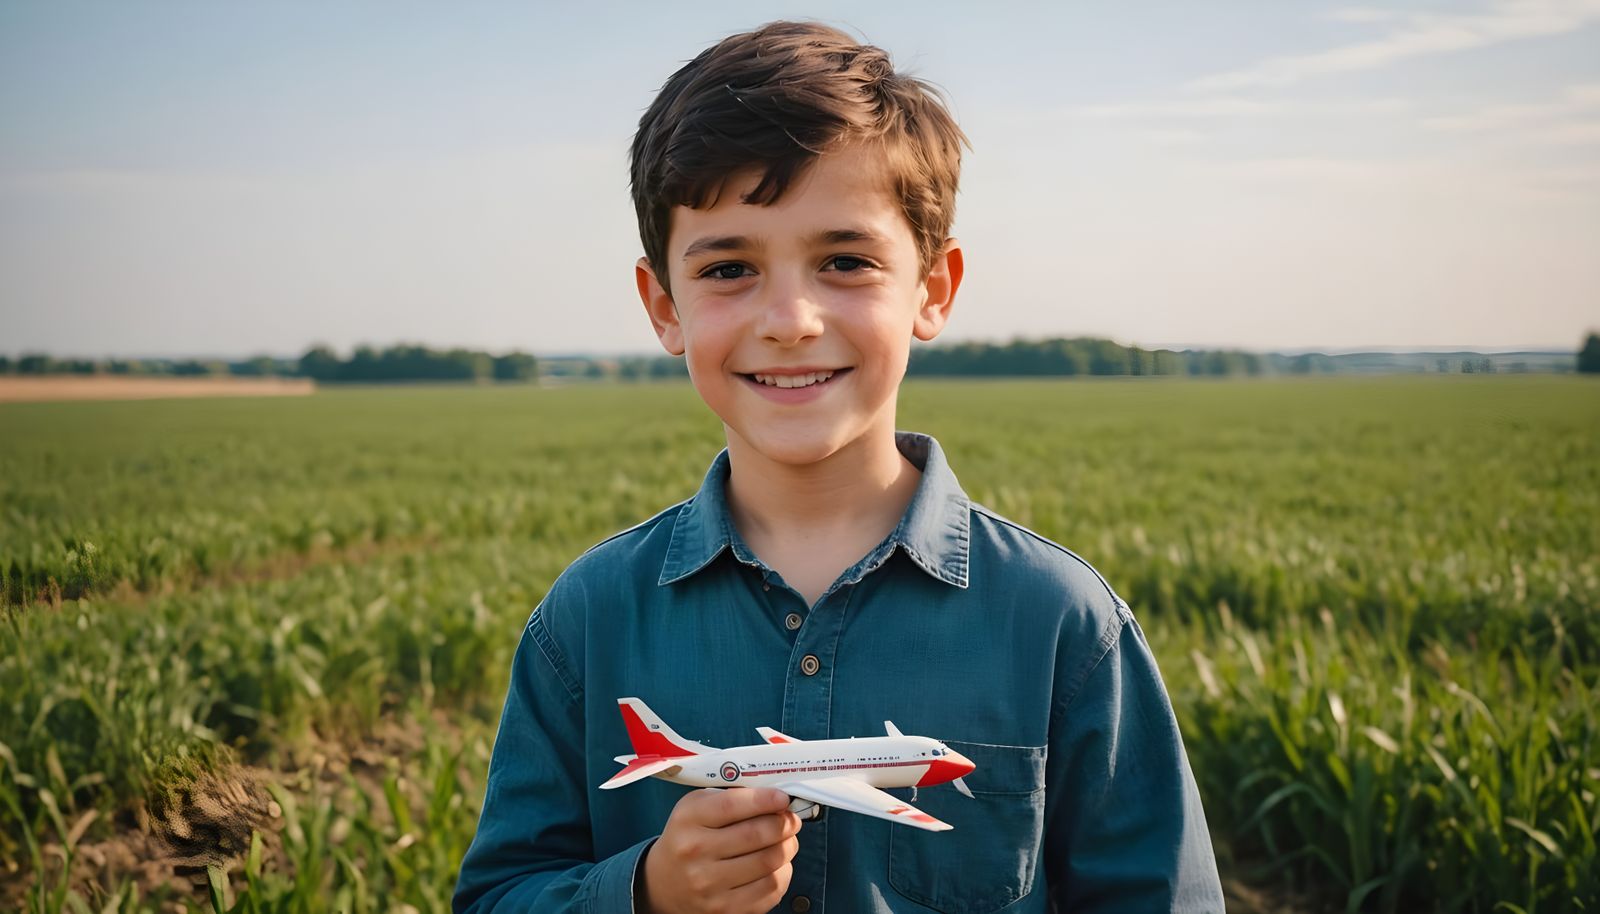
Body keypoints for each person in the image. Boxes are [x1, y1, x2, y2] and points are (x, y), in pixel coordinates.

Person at [454, 20, 1223, 914]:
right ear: (663, 306)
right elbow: (497, 894)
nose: (791, 319)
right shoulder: (586, 621)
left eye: (845, 261)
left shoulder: (1062, 623)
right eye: (731, 267)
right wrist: (647, 892)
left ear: (932, 290)